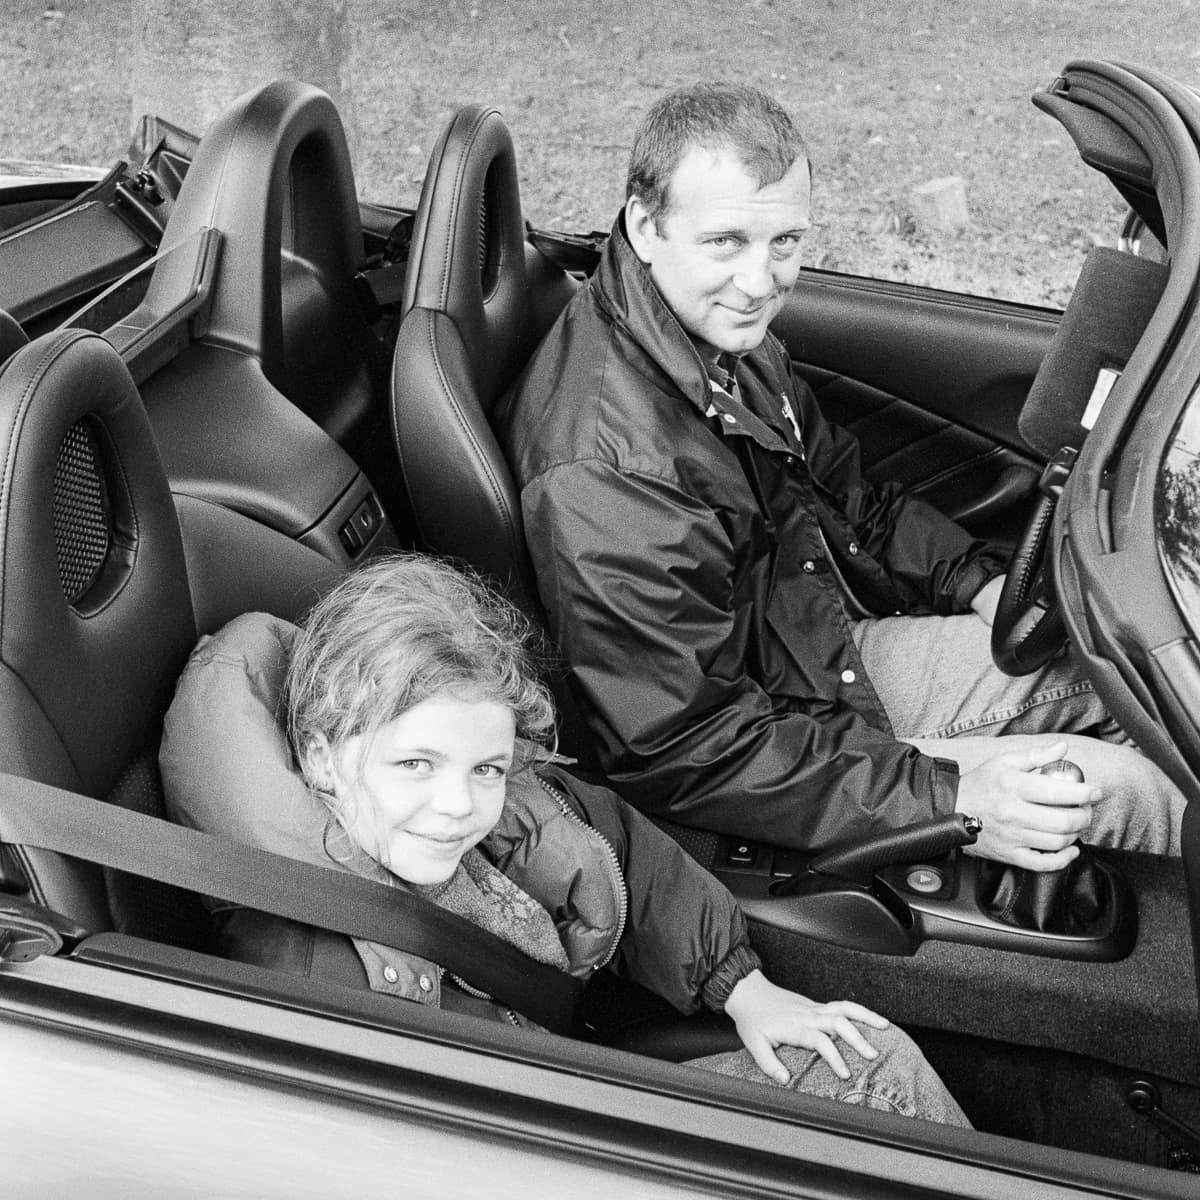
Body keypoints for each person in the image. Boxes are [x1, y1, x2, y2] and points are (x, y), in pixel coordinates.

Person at [496, 81, 1185, 870]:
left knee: (1123, 662)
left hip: (807, 649)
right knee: (1129, 786)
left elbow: (849, 501)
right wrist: (955, 803)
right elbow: (683, 746)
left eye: (785, 242)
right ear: (645, 226)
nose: (761, 282)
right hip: (772, 735)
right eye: (726, 242)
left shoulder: (719, 340)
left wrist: (981, 585)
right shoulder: (613, 470)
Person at [159, 554, 969, 1126]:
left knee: (870, 1058)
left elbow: (625, 854)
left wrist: (740, 987)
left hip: (560, 1065)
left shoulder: (505, 811)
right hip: (538, 1133)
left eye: (485, 767)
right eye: (416, 764)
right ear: (323, 759)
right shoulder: (310, 969)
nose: (457, 804)